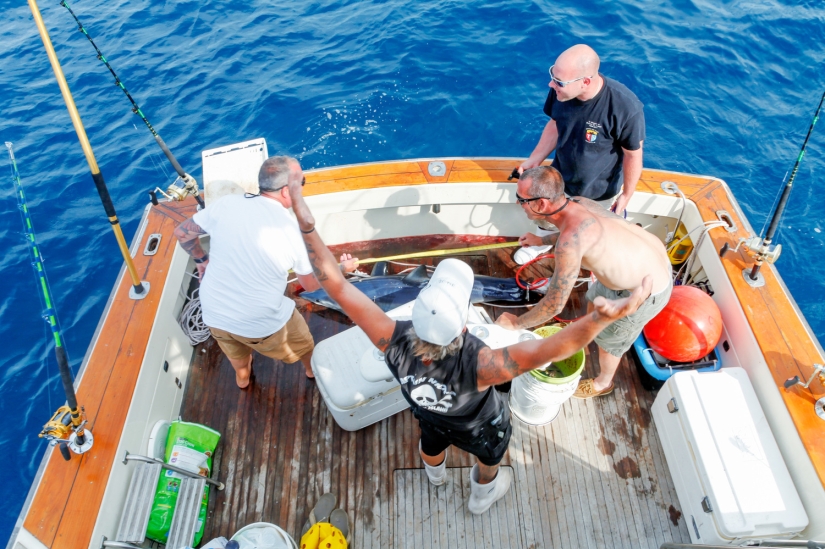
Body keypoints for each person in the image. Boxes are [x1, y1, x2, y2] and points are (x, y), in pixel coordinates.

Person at [284, 169, 652, 514]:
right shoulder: (483, 365)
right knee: (490, 459)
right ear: (464, 325)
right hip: (480, 427)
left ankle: (436, 476)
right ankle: (480, 497)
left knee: (429, 445)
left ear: (414, 315)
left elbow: (336, 283)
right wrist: (599, 320)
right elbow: (550, 349)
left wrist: (306, 221)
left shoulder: (389, 340)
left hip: (429, 415)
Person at [173, 156, 356, 388]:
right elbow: (310, 285)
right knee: (305, 345)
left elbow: (182, 233)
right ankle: (311, 370)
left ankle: (242, 376)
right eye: (302, 182)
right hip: (260, 323)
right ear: (286, 192)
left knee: (236, 353)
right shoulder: (295, 230)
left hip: (214, 313)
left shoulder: (227, 204)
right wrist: (342, 269)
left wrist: (201, 259)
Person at [497, 166, 672, 399]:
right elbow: (572, 229)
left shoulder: (570, 244)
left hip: (643, 293)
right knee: (592, 300)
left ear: (540, 205)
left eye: (521, 199)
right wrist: (540, 239)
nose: (519, 203)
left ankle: (603, 383)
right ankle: (589, 335)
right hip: (636, 268)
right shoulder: (578, 202)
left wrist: (516, 323)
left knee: (610, 340)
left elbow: (554, 306)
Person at [516, 44, 645, 263]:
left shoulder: (626, 107)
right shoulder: (560, 92)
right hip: (559, 180)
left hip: (598, 190)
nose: (551, 84)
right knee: (547, 217)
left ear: (585, 81)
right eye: (552, 76)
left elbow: (633, 154)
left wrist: (627, 194)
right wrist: (536, 157)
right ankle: (541, 245)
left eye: (559, 82)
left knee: (586, 232)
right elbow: (555, 123)